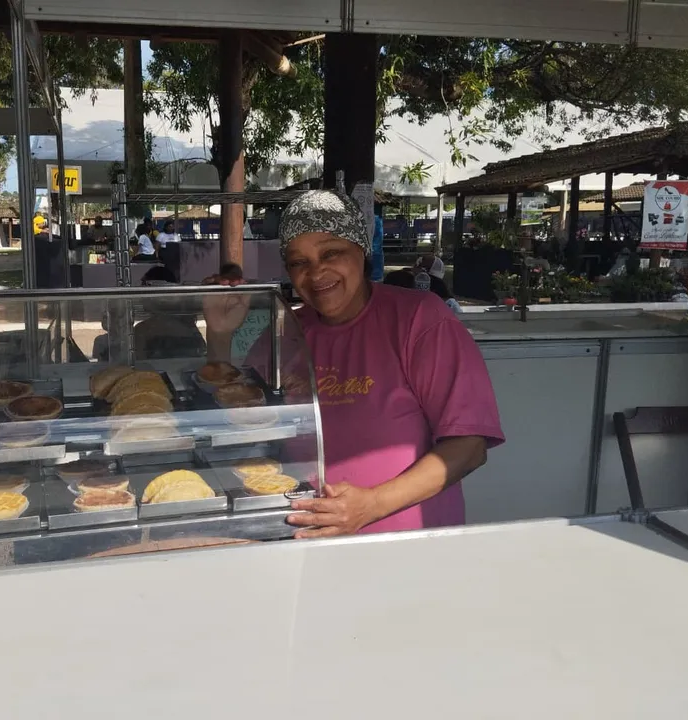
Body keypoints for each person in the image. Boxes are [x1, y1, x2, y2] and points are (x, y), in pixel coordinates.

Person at [204, 189, 503, 538]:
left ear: (361, 251)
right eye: (299, 262)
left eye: (331, 252)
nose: (316, 273)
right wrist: (219, 334)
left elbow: (468, 447)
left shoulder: (419, 319)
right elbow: (237, 417)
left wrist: (370, 505)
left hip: (406, 547)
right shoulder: (287, 331)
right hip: (305, 540)